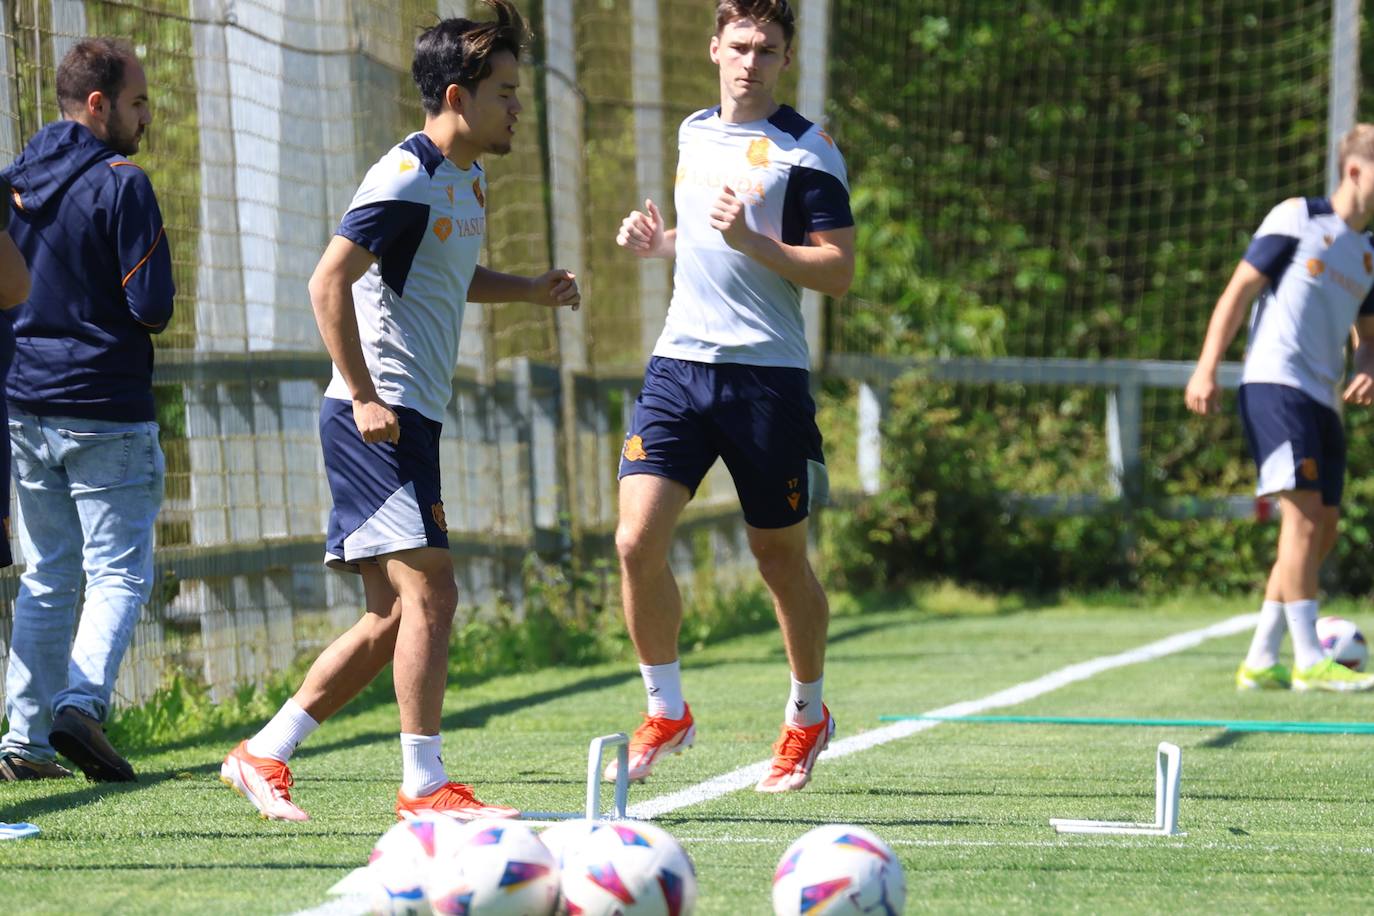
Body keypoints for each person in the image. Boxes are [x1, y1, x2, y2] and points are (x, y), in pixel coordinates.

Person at [219, 0, 580, 822]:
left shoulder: (468, 177)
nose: (518, 106)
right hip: (374, 418)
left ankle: (263, 752)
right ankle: (423, 785)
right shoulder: (405, 175)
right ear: (458, 96)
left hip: (410, 416)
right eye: (507, 93)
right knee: (434, 595)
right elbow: (327, 282)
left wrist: (527, 289)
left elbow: (447, 275)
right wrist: (369, 395)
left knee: (391, 619)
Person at [608, 0, 854, 792]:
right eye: (739, 45)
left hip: (765, 378)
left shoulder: (808, 151)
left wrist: (755, 241)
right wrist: (661, 242)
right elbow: (704, 234)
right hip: (678, 366)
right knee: (634, 539)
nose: (750, 60)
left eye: (768, 49)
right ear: (715, 48)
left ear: (787, 59)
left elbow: (839, 270)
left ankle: (807, 714)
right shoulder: (691, 131)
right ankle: (666, 708)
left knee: (777, 559)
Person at [0, 38, 173, 783]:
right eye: (137, 103)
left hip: (24, 403)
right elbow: (153, 305)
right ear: (97, 105)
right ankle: (81, 704)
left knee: (47, 574)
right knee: (119, 573)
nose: (146, 118)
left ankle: (23, 739)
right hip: (106, 404)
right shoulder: (121, 182)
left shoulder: (11, 183)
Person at [1186, 123, 1374, 693]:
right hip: (1275, 383)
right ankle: (1307, 659)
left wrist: (1367, 364)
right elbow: (1239, 290)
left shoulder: (1367, 254)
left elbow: (1367, 329)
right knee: (1304, 517)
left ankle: (1261, 659)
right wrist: (1206, 365)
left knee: (1324, 530)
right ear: (1355, 171)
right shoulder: (1297, 217)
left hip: (1323, 398)